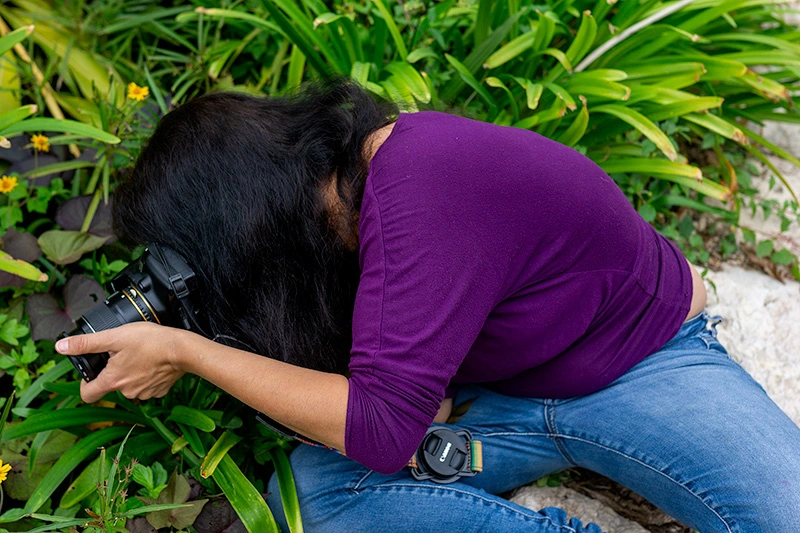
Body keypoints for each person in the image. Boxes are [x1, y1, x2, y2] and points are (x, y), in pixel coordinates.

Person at [56, 79, 800, 532]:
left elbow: (382, 431)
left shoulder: (419, 183)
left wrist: (190, 351)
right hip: (497, 400)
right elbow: (403, 406)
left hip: (642, 363)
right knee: (316, 496)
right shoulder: (338, 210)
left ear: (241, 222)